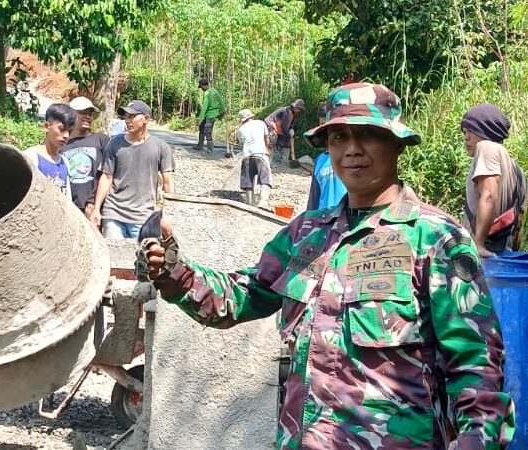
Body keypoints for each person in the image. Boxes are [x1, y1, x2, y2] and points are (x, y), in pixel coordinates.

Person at [136, 83, 515, 449]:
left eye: (367, 135)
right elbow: (241, 296)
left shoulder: (435, 239)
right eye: (338, 138)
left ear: (397, 144)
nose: (352, 150)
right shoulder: (306, 233)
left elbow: (476, 369)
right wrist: (173, 270)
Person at [89, 100, 175, 239]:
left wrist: (171, 213)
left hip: (143, 217)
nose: (128, 121)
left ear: (146, 118)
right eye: (126, 117)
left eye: (132, 116)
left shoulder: (161, 147)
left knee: (141, 258)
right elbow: (106, 177)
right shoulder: (115, 144)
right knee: (114, 257)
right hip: (113, 213)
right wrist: (96, 208)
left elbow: (167, 182)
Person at [461, 103, 526, 257]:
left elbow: (489, 194)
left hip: (483, 256)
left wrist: (478, 245)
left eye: (469, 130)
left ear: (485, 130)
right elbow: (519, 223)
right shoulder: (518, 171)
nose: (466, 137)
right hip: (502, 253)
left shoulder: (486, 148)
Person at [60, 97, 110, 216]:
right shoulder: (61, 143)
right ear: (70, 115)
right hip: (67, 206)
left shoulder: (101, 140)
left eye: (90, 114)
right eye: (83, 113)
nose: (88, 116)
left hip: (94, 207)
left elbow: (106, 173)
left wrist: (93, 201)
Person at [23, 103, 76, 198]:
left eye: (70, 131)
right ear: (46, 126)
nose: (66, 136)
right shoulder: (31, 157)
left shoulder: (64, 162)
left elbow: (67, 199)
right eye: (62, 129)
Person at [306, 102, 347, 210]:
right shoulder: (320, 160)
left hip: (347, 223)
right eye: (321, 125)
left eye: (328, 125)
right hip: (323, 223)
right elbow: (313, 201)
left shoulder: (352, 156)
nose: (325, 131)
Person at [235, 108, 272, 208]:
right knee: (265, 178)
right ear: (251, 116)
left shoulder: (239, 130)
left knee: (248, 180)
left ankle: (250, 203)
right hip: (260, 154)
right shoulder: (260, 123)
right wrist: (268, 149)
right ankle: (263, 202)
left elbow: (242, 143)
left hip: (246, 156)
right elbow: (267, 138)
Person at [264, 99, 304, 165]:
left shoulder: (292, 113)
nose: (299, 111)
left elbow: (290, 124)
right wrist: (287, 135)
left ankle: (280, 159)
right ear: (295, 107)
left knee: (284, 140)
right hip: (270, 126)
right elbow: (284, 125)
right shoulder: (287, 111)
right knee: (271, 143)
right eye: (298, 109)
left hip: (278, 128)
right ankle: (268, 162)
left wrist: (291, 131)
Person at [193, 78, 226, 154]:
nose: (201, 89)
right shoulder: (214, 90)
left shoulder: (207, 93)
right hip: (211, 114)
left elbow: (205, 106)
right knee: (201, 129)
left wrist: (200, 118)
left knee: (207, 131)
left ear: (203, 86)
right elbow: (221, 101)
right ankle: (200, 145)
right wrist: (223, 110)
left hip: (209, 115)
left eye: (201, 87)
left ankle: (209, 149)